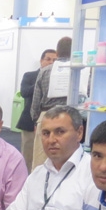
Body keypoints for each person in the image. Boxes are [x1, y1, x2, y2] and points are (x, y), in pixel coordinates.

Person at [30, 37, 72, 170]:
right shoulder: (79, 70)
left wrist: (36, 119)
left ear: (57, 53)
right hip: (71, 117)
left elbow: (36, 99)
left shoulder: (45, 71)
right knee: (69, 158)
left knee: (40, 159)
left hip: (46, 115)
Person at [16, 49, 57, 169]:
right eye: (48, 59)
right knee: (28, 155)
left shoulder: (59, 79)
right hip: (29, 121)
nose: (51, 62)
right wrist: (41, 81)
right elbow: (24, 92)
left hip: (50, 122)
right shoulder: (29, 75)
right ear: (41, 61)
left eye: (54, 60)